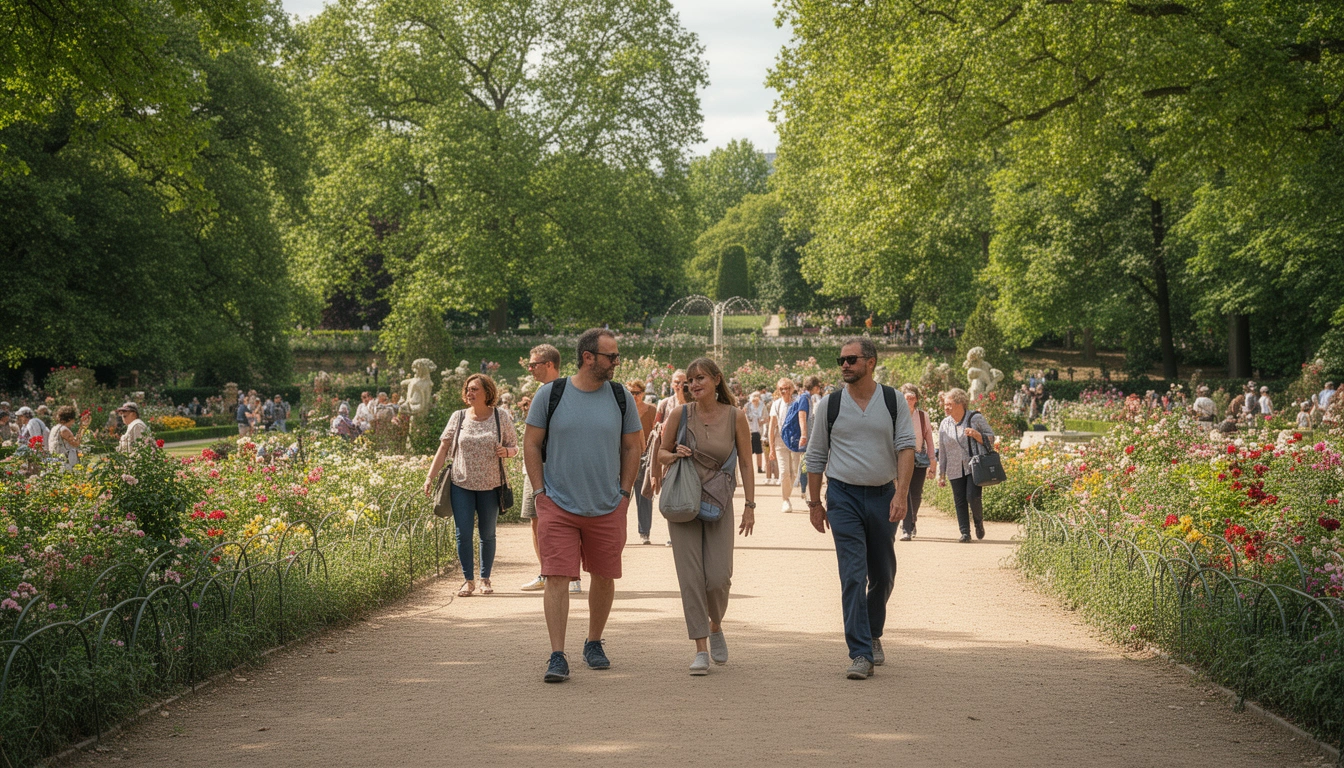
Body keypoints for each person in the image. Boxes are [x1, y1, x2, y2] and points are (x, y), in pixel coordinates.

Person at [523, 328, 643, 683]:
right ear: (588, 357)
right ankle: (557, 654)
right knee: (556, 576)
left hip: (607, 504)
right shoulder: (551, 394)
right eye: (611, 356)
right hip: (557, 503)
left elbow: (633, 448)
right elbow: (531, 443)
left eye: (617, 356)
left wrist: (624, 495)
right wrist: (540, 492)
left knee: (604, 576)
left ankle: (593, 641)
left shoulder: (621, 397)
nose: (616, 362)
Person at [805, 338, 915, 679]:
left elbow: (906, 448)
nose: (844, 365)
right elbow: (816, 455)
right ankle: (860, 653)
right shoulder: (830, 405)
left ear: (870, 362)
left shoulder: (893, 400)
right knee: (853, 574)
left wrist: (901, 495)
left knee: (882, 574)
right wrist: (813, 503)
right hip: (843, 497)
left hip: (883, 496)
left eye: (851, 359)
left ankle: (873, 632)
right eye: (841, 360)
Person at [657, 357, 756, 675]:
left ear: (716, 380)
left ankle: (715, 625)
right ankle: (700, 648)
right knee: (690, 579)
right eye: (689, 380)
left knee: (718, 579)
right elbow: (659, 453)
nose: (693, 384)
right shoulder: (678, 413)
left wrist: (750, 506)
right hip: (683, 504)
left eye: (700, 378)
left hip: (719, 504)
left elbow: (746, 463)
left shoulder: (735, 416)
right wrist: (674, 454)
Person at [423, 374, 518, 597]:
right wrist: (429, 477)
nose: (469, 392)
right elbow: (443, 449)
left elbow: (515, 447)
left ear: (488, 392)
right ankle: (468, 580)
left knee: (487, 534)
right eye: (467, 389)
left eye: (474, 389)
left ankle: (485, 578)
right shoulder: (458, 418)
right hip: (461, 484)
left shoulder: (500, 417)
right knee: (462, 534)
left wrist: (507, 452)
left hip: (491, 485)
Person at [519, 344, 564, 592]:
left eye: (534, 364)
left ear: (549, 365)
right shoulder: (541, 392)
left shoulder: (564, 390)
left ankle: (570, 576)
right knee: (536, 520)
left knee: (563, 519)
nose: (530, 368)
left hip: (553, 464)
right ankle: (545, 573)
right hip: (535, 464)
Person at [936, 388, 995, 543]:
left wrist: (976, 434)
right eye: (945, 404)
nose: (945, 407)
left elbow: (991, 438)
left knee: (972, 496)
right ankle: (965, 533)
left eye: (949, 404)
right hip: (954, 468)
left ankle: (978, 522)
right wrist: (941, 474)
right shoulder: (945, 424)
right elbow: (942, 451)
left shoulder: (975, 418)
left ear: (960, 403)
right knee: (959, 500)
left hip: (973, 465)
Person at [898, 384, 935, 541]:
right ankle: (906, 528)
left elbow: (929, 439)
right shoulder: (897, 415)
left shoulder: (922, 416)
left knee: (916, 494)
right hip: (901, 457)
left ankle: (912, 521)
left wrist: (933, 460)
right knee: (904, 491)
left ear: (917, 399)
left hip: (919, 457)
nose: (909, 400)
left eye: (912, 397)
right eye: (907, 397)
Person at [628, 379, 658, 545]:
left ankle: (644, 532)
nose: (634, 396)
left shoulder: (651, 411)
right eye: (631, 393)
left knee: (644, 496)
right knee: (620, 497)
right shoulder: (622, 410)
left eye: (637, 393)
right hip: (624, 458)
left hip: (645, 458)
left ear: (643, 394)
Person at [767, 378, 805, 510]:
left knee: (794, 472)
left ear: (791, 389)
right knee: (784, 472)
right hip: (780, 442)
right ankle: (785, 499)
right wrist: (771, 448)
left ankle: (787, 496)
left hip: (794, 442)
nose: (784, 391)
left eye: (786, 388)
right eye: (781, 389)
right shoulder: (776, 404)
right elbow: (772, 427)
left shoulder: (797, 403)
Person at [48, 406, 91, 471]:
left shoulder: (55, 428)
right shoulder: (64, 430)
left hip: (56, 459)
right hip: (65, 462)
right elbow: (76, 443)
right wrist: (83, 427)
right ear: (70, 419)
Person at [745, 391, 767, 474]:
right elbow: (744, 417)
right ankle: (749, 468)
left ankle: (759, 467)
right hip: (749, 431)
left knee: (759, 451)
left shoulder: (762, 406)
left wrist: (761, 421)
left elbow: (766, 418)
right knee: (749, 452)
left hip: (758, 431)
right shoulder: (748, 406)